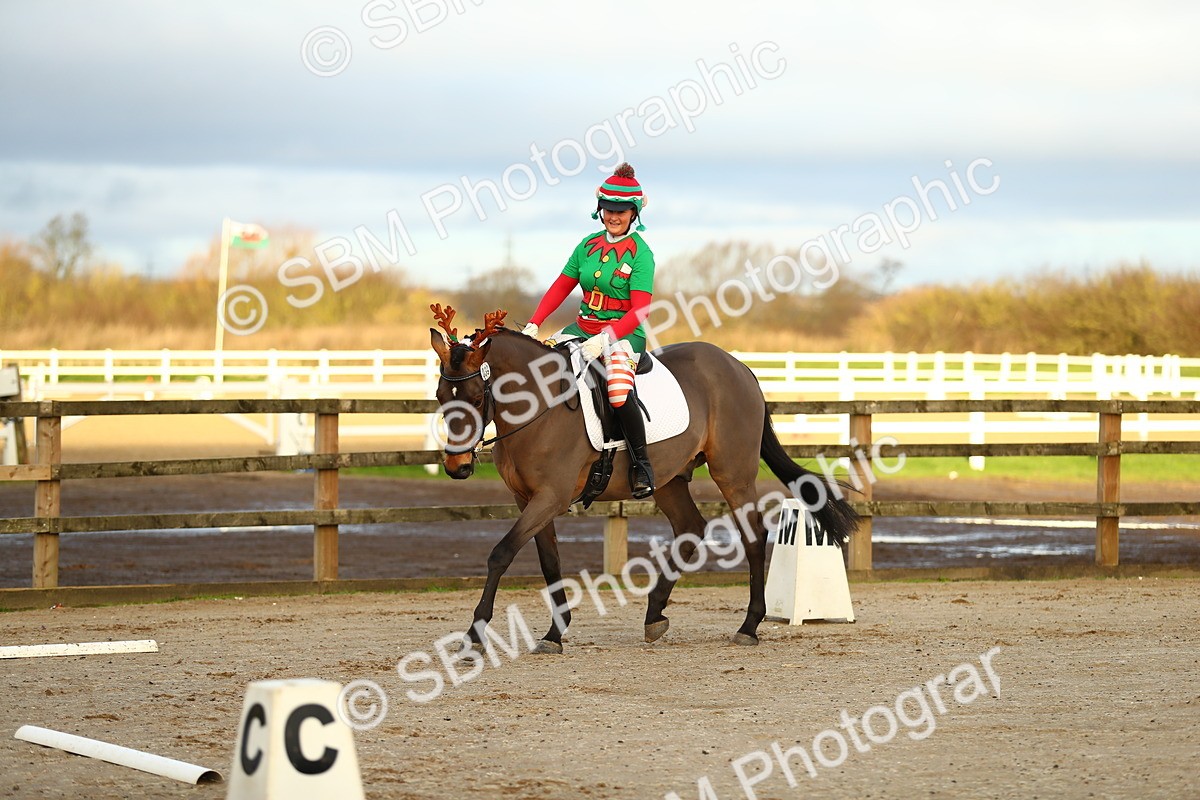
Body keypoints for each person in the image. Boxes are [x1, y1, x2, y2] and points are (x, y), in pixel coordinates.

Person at [521, 162, 656, 498]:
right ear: (600, 210)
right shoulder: (586, 245)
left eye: (622, 211)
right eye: (609, 209)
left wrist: (607, 340)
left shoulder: (642, 254)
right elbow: (560, 287)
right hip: (581, 329)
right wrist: (535, 323)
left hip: (623, 335)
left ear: (634, 213)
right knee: (543, 372)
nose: (614, 216)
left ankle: (642, 465)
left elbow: (640, 310)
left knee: (617, 392)